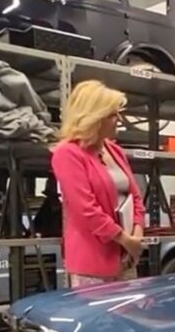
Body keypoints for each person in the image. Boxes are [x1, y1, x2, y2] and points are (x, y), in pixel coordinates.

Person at [50, 80, 145, 288]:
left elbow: (135, 197)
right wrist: (124, 239)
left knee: (127, 318)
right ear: (95, 117)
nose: (118, 119)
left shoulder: (115, 151)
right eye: (112, 114)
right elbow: (86, 210)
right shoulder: (67, 154)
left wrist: (136, 235)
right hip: (92, 261)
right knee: (100, 321)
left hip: (126, 257)